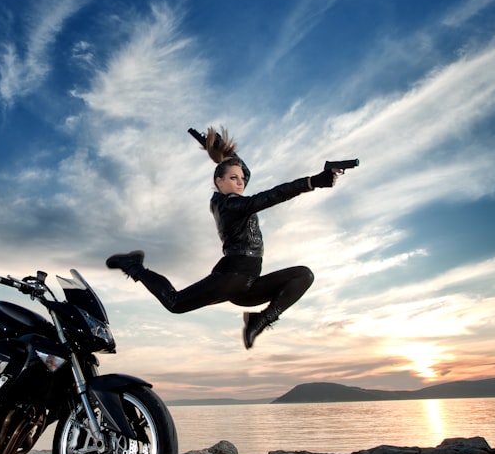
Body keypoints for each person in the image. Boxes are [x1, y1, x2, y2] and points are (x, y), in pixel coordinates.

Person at [106, 127, 341, 349]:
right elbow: (273, 196)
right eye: (234, 178)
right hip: (232, 277)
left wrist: (224, 154)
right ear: (219, 182)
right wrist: (313, 182)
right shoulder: (230, 204)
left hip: (248, 283)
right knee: (175, 303)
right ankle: (134, 266)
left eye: (241, 179)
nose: (241, 182)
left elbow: (244, 170)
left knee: (303, 275)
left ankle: (259, 320)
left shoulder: (231, 195)